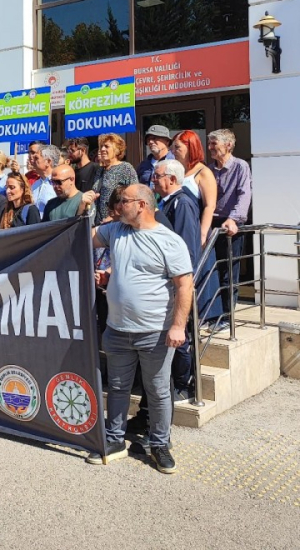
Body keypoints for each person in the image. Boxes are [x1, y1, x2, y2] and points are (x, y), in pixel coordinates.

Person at [87, 185, 193, 474]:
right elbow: (83, 237)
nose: (117, 206)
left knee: (157, 391)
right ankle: (114, 439)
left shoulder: (169, 241)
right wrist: (81, 209)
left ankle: (160, 444)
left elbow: (185, 286)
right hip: (117, 329)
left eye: (123, 201)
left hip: (155, 332)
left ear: (142, 205)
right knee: (118, 387)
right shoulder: (115, 231)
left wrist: (178, 326)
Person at [153, 159, 203, 399]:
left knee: (180, 334)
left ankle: (184, 385)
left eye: (157, 176)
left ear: (172, 179)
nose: (153, 180)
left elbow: (185, 246)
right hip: (166, 280)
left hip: (178, 281)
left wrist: (181, 280)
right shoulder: (165, 202)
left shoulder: (182, 203)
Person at [207, 128, 252, 322]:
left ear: (228, 145)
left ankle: (227, 317)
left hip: (231, 224)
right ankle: (212, 314)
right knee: (212, 270)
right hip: (211, 223)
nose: (210, 147)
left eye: (214, 143)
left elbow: (244, 195)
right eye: (209, 143)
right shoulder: (209, 169)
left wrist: (234, 218)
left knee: (229, 272)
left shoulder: (240, 166)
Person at [170, 130, 218, 247]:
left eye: (177, 147)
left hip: (194, 231)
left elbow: (210, 206)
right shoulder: (176, 171)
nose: (173, 151)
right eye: (172, 147)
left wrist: (202, 235)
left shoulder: (203, 172)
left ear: (190, 147)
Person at [91, 133, 138, 225]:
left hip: (117, 222)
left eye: (106, 146)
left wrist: (115, 215)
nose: (102, 149)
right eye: (101, 146)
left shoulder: (125, 168)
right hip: (99, 223)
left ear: (116, 150)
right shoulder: (100, 170)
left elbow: (134, 196)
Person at [30, 144, 61, 214]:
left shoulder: (59, 184)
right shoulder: (34, 185)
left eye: (36, 158)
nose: (32, 161)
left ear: (48, 162)